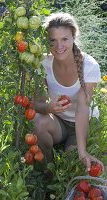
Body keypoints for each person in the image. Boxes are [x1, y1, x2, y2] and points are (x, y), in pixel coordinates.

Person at [33, 12, 104, 172]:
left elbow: (82, 108)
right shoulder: (44, 63)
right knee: (39, 121)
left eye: (64, 39)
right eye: (53, 40)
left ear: (73, 37)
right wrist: (49, 108)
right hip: (59, 123)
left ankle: (73, 151)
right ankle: (47, 171)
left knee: (71, 163)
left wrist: (82, 151)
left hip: (83, 123)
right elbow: (36, 103)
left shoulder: (89, 65)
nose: (59, 46)